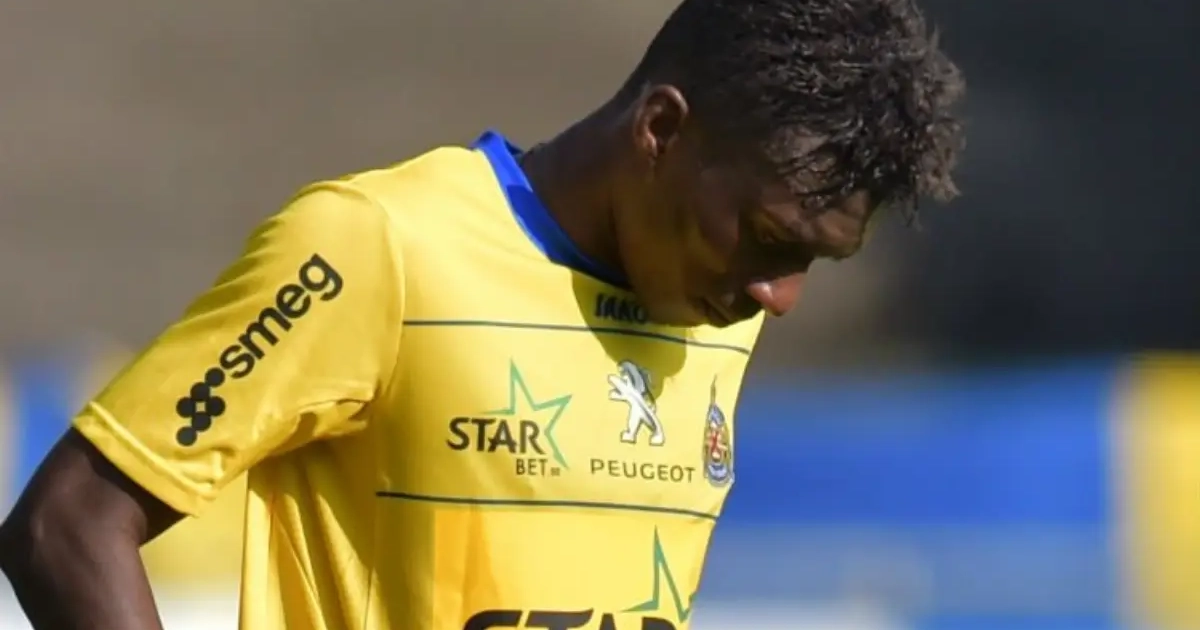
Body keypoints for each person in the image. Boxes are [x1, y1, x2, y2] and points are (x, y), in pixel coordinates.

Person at [0, 0, 964, 628]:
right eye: (768, 237)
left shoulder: (718, 310)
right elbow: (66, 527)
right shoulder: (378, 247)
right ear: (661, 130)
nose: (779, 297)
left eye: (814, 262)